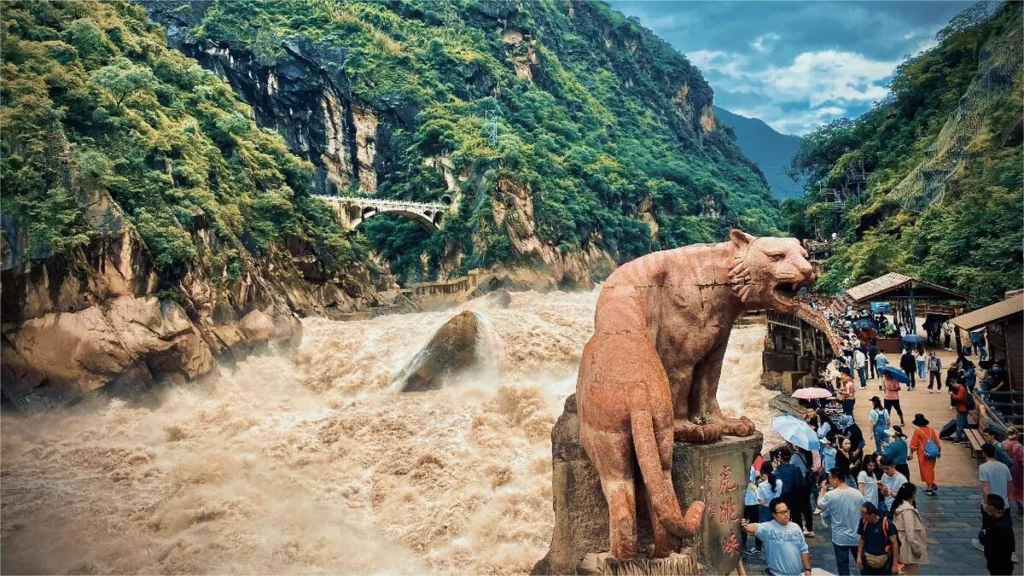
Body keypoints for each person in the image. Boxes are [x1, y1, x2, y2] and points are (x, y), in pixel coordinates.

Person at [740, 498, 812, 576]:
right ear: (774, 514)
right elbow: (752, 527)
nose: (786, 514)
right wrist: (745, 525)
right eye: (782, 512)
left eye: (787, 511)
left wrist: (807, 569)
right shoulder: (768, 528)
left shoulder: (796, 527)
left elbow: (804, 550)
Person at [817, 468, 865, 576]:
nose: (828, 481)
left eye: (829, 478)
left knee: (843, 566)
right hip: (856, 536)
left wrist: (823, 490)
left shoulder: (831, 495)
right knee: (862, 564)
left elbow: (819, 505)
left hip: (840, 537)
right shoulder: (857, 494)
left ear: (836, 479)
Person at [973, 443, 1015, 555]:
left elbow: (985, 485)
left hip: (992, 503)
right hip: (1004, 502)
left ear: (984, 453)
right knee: (1007, 527)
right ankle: (1009, 550)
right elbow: (1010, 484)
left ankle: (985, 543)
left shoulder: (983, 467)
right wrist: (1009, 498)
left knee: (987, 525)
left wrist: (987, 502)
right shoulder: (1004, 466)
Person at [891, 483, 929, 575]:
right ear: (912, 495)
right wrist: (917, 550)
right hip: (908, 551)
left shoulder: (898, 507)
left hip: (899, 549)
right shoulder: (908, 511)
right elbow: (910, 533)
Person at [773, 449, 810, 538]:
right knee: (797, 517)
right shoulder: (796, 468)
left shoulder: (778, 470)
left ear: (781, 458)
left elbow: (775, 483)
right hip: (795, 497)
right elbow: (801, 484)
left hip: (782, 498)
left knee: (783, 516)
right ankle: (799, 534)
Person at [856, 501, 900, 575]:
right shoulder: (863, 522)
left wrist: (895, 564)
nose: (863, 517)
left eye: (865, 515)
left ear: (872, 515)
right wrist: (859, 556)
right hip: (868, 561)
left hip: (884, 563)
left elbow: (895, 544)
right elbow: (862, 539)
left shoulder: (887, 524)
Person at [979, 494, 1016, 575]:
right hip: (1002, 563)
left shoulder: (997, 527)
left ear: (992, 507)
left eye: (986, 503)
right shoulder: (1005, 519)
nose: (984, 506)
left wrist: (984, 533)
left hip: (998, 565)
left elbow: (983, 539)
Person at [908, 413, 940, 495]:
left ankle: (929, 487)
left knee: (925, 470)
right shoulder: (930, 429)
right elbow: (936, 441)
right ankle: (931, 484)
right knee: (930, 469)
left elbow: (913, 444)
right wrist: (938, 451)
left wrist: (911, 453)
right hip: (932, 453)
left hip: (923, 454)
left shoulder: (917, 431)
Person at [1000, 426, 1024, 516]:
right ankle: (1020, 506)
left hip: (1004, 470)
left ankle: (1006, 507)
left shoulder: (1002, 444)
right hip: (1016, 471)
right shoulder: (1019, 446)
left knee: (1005, 489)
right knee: (1017, 490)